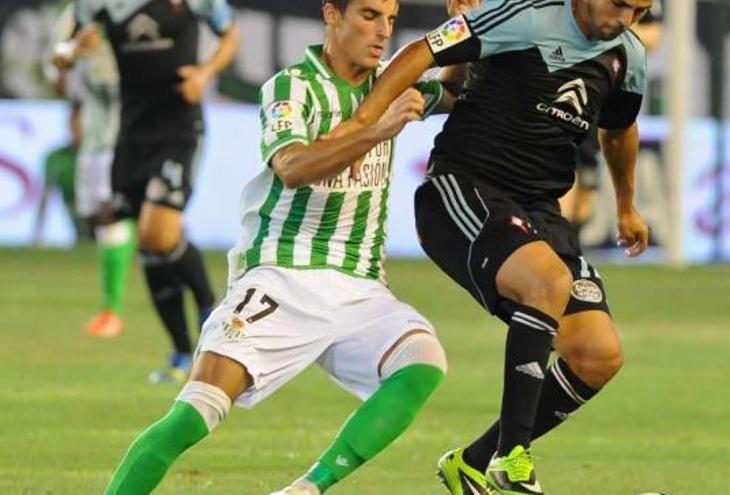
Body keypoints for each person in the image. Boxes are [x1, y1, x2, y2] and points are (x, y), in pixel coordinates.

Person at [99, 0, 465, 493]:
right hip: (283, 275)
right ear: (331, 14)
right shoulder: (293, 86)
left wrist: (469, 27)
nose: (382, 32)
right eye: (369, 15)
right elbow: (292, 167)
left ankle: (307, 488)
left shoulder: (394, 81)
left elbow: (461, 94)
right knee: (194, 413)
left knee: (422, 362)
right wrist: (376, 130)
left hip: (361, 286)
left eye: (391, 20)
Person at [327, 0, 653, 493]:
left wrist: (626, 205)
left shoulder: (627, 55)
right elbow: (420, 51)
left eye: (640, 12)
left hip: (539, 209)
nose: (625, 20)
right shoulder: (524, 15)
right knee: (547, 282)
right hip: (462, 188)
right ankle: (512, 457)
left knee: (597, 354)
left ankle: (473, 463)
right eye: (620, 5)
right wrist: (361, 124)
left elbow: (619, 129)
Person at [58, 0, 241, 382]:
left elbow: (231, 34)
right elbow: (68, 45)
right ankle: (179, 352)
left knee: (157, 232)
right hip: (130, 136)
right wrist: (71, 52)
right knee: (149, 243)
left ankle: (209, 304)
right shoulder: (101, 5)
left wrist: (205, 74)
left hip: (178, 130)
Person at [52, 3, 133, 338]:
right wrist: (73, 51)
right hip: (96, 132)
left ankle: (112, 309)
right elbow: (57, 68)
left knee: (119, 214)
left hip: (134, 128)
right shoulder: (78, 12)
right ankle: (110, 309)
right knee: (105, 217)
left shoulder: (144, 11)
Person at [560, 0, 663, 232]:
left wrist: (606, 24)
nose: (627, 17)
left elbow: (654, 37)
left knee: (585, 197)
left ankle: (564, 246)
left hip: (595, 99)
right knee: (559, 184)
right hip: (554, 87)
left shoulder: (629, 47)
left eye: (635, 12)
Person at [32, 104, 88, 245]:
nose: (76, 128)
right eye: (73, 121)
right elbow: (45, 197)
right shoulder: (55, 157)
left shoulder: (103, 157)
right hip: (78, 227)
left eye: (80, 122)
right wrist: (37, 234)